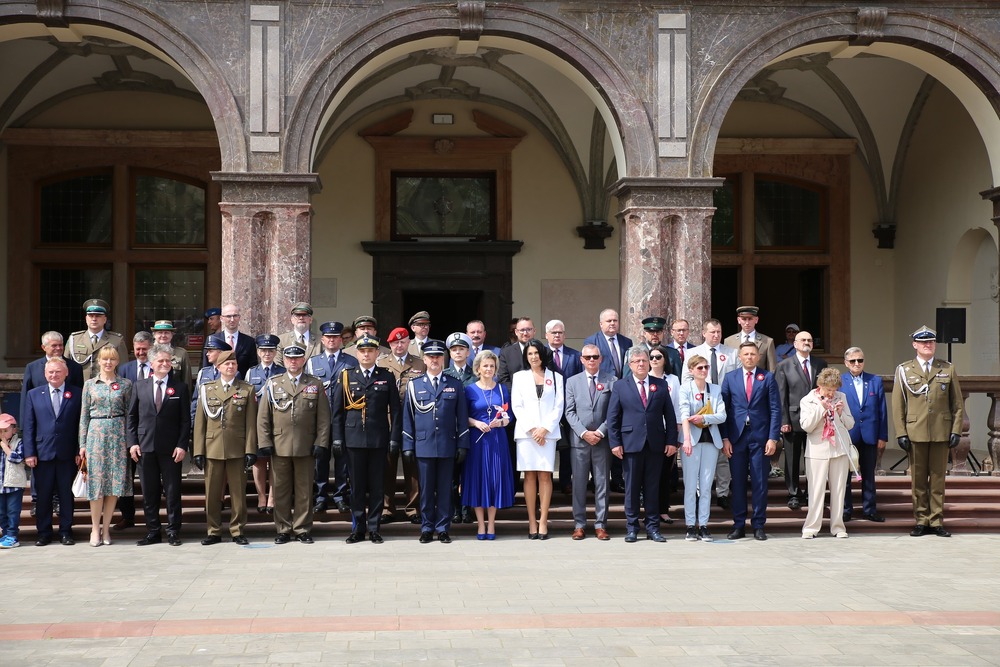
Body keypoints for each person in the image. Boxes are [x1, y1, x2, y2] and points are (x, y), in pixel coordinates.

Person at [892, 325, 964, 537]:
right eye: (923, 342)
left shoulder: (947, 368)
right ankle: (921, 520)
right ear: (914, 345)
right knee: (919, 480)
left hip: (941, 431)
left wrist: (956, 430)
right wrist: (901, 433)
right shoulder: (905, 370)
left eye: (931, 342)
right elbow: (898, 405)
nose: (928, 345)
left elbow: (957, 404)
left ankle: (936, 521)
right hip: (916, 432)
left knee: (938, 479)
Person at [256, 344, 331, 544]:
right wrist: (264, 442)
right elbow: (263, 417)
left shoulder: (315, 383)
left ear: (303, 360)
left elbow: (323, 418)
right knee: (281, 490)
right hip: (279, 446)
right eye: (290, 358)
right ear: (284, 361)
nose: (293, 362)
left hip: (306, 446)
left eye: (297, 358)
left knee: (304, 490)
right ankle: (283, 529)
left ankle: (302, 529)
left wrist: (321, 442)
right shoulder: (273, 383)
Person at [331, 334, 401, 544]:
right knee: (357, 487)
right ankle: (358, 528)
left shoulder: (386, 376)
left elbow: (395, 411)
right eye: (362, 351)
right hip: (353, 440)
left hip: (379, 439)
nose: (366, 354)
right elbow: (337, 412)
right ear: (357, 353)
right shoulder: (346, 376)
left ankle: (374, 528)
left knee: (378, 486)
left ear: (377, 353)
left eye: (370, 351)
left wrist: (394, 438)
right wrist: (337, 438)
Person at [607, 347, 679, 543]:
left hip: (656, 444)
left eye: (644, 361)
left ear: (649, 363)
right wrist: (615, 443)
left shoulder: (660, 384)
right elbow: (613, 417)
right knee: (631, 488)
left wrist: (671, 441)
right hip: (630, 444)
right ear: (630, 365)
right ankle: (632, 528)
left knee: (652, 487)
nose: (641, 364)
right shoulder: (620, 386)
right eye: (637, 361)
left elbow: (670, 416)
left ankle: (653, 527)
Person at [402, 339, 470, 544]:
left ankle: (442, 528)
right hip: (423, 446)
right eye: (430, 356)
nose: (434, 360)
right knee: (425, 490)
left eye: (438, 356)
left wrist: (462, 444)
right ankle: (426, 527)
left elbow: (462, 416)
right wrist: (408, 445)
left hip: (447, 445)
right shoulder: (414, 385)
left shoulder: (454, 384)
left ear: (443, 359)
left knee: (445, 489)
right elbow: (408, 417)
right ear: (424, 359)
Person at [192, 349, 258, 545]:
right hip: (212, 448)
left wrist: (250, 449)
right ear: (218, 367)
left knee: (238, 493)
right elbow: (200, 423)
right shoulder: (207, 389)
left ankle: (237, 530)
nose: (230, 367)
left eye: (233, 364)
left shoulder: (246, 389)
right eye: (226, 364)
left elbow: (250, 424)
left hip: (237, 448)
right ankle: (213, 530)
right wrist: (198, 451)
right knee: (212, 493)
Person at [127, 344, 191, 546]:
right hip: (145, 447)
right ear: (151, 363)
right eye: (161, 360)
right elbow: (132, 417)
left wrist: (182, 445)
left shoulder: (180, 387)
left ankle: (173, 531)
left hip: (171, 449)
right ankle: (153, 531)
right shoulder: (139, 386)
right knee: (149, 492)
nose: (165, 364)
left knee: (172, 492)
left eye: (168, 361)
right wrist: (132, 443)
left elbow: (185, 420)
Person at [720, 342, 781, 541]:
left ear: (758, 356)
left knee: (759, 483)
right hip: (736, 437)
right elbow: (724, 410)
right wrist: (725, 438)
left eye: (753, 354)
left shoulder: (768, 377)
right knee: (737, 483)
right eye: (745, 354)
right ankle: (738, 525)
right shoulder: (730, 378)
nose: (749, 357)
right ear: (739, 357)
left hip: (760, 437)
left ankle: (758, 525)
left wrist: (773, 438)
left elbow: (775, 409)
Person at [20, 330, 84, 519]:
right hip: (42, 437)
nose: (58, 348)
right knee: (42, 483)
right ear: (43, 347)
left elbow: (79, 404)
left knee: (64, 485)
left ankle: (59, 508)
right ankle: (36, 502)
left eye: (60, 345)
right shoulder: (33, 367)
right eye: (53, 345)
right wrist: (25, 433)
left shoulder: (74, 367)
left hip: (66, 438)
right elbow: (26, 400)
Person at [78, 347, 132, 547]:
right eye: (105, 359)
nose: (108, 363)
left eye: (112, 359)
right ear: (99, 361)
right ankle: (95, 528)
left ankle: (106, 528)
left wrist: (130, 441)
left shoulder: (125, 384)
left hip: (118, 435)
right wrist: (82, 444)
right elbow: (84, 416)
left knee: (113, 484)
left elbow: (130, 414)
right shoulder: (90, 385)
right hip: (96, 434)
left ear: (117, 362)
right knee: (96, 484)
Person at [510, 339, 563, 539]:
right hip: (527, 434)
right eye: (530, 353)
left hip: (548, 434)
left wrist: (544, 429)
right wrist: (533, 429)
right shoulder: (519, 377)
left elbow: (559, 406)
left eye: (536, 353)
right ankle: (532, 520)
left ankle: (543, 521)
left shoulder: (556, 377)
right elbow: (517, 406)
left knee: (545, 476)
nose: (533, 357)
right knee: (530, 475)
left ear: (542, 354)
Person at [684, 318, 739, 510]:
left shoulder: (731, 353)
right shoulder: (692, 353)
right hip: (699, 409)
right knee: (701, 453)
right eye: (712, 332)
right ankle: (700, 492)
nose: (716, 335)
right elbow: (686, 381)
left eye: (719, 332)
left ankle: (722, 493)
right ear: (703, 333)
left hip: (725, 408)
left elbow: (736, 380)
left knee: (723, 453)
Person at [563, 344, 615, 541]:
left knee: (602, 483)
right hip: (580, 441)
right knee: (579, 484)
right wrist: (584, 433)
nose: (591, 360)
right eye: (588, 357)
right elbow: (569, 411)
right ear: (581, 360)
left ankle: (601, 525)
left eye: (595, 357)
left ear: (600, 359)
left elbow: (614, 411)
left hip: (602, 441)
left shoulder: (612, 380)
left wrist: (600, 432)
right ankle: (579, 524)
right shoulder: (572, 381)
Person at [306, 321, 358, 514]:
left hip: (344, 418)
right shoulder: (313, 362)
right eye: (328, 337)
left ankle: (340, 496)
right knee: (320, 459)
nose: (332, 340)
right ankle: (320, 496)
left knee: (342, 460)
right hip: (320, 420)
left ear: (341, 340)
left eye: (335, 337)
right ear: (322, 339)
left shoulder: (351, 362)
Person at [462, 350, 515, 540]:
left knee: (494, 480)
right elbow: (462, 416)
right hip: (477, 441)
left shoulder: (502, 389)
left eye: (492, 366)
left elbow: (509, 416)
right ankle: (480, 524)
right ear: (478, 368)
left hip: (497, 440)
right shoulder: (469, 390)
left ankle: (491, 523)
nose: (489, 369)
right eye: (485, 365)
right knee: (478, 479)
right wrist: (476, 423)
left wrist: (501, 422)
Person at [377, 326, 426, 524]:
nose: (399, 345)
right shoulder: (381, 363)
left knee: (412, 465)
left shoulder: (420, 363)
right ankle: (387, 508)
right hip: (387, 420)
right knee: (386, 465)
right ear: (389, 344)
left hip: (412, 420)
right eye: (395, 342)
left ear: (408, 342)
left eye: (403, 342)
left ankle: (413, 508)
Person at [799, 368, 854, 539]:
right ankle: (811, 527)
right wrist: (820, 409)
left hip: (839, 449)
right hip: (817, 449)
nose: (831, 393)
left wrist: (840, 413)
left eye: (834, 389)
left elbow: (850, 424)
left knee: (839, 490)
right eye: (828, 389)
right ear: (820, 385)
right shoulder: (807, 400)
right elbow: (806, 426)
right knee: (816, 490)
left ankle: (838, 527)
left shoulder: (841, 397)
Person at [775, 330, 827, 510]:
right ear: (795, 344)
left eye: (810, 340)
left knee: (815, 459)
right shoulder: (784, 365)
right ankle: (794, 493)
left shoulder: (821, 364)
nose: (806, 342)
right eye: (803, 340)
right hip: (793, 419)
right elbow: (781, 396)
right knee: (792, 459)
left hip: (816, 419)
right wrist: (784, 421)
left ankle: (812, 493)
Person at [679, 354, 726, 541]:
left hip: (711, 440)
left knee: (706, 485)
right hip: (691, 440)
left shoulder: (715, 389)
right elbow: (684, 415)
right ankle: (691, 525)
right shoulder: (685, 388)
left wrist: (704, 418)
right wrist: (686, 439)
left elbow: (722, 415)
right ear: (691, 370)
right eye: (700, 368)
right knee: (690, 485)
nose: (704, 370)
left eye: (706, 367)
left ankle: (704, 525)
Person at [841, 347, 888, 522]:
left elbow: (882, 411)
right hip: (847, 435)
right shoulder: (840, 381)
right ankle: (846, 510)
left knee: (869, 474)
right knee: (844, 475)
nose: (857, 363)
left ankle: (869, 510)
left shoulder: (875, 380)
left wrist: (882, 436)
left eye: (860, 360)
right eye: (853, 361)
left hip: (870, 434)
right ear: (846, 363)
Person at [245, 334, 284, 515]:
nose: (267, 353)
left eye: (270, 350)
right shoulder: (251, 372)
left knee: (276, 462)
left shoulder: (282, 371)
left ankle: (272, 498)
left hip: (278, 423)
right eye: (263, 350)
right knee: (259, 461)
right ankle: (261, 496)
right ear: (258, 352)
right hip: (258, 423)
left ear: (275, 352)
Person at [544, 318, 580, 495]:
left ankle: (566, 481)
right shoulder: (540, 355)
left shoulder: (575, 356)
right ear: (546, 335)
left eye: (560, 332)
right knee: (547, 447)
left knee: (567, 448)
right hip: (546, 409)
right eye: (554, 332)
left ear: (565, 335)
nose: (557, 335)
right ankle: (547, 483)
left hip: (569, 408)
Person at [648, 343, 682, 524]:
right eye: (651, 357)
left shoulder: (673, 380)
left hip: (667, 433)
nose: (654, 360)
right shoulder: (644, 378)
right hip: (647, 433)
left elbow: (676, 406)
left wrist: (675, 433)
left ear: (665, 360)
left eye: (658, 357)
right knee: (648, 474)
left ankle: (662, 510)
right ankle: (648, 511)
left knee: (664, 474)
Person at [444, 332, 475, 524]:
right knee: (452, 474)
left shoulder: (476, 375)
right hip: (450, 432)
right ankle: (455, 509)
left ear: (468, 352)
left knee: (469, 473)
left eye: (461, 349)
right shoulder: (445, 376)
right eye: (454, 349)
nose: (458, 352)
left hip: (472, 431)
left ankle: (467, 509)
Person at [67, 298, 129, 380]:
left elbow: (123, 369)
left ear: (105, 319)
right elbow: (65, 366)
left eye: (98, 316)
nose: (94, 319)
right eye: (91, 316)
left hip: (107, 386)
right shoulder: (74, 339)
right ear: (86, 318)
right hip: (80, 386)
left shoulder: (117, 340)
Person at [204, 303, 258, 375]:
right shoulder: (213, 339)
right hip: (217, 381)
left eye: (235, 316)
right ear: (221, 318)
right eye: (228, 316)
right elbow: (206, 365)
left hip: (242, 381)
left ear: (239, 317)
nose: (232, 319)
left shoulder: (249, 341)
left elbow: (253, 369)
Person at [0, 414, 26, 549]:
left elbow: (18, 459)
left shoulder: (19, 443)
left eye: (5, 430)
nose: (2, 434)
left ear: (14, 430)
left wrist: (5, 447)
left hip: (14, 485)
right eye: (0, 431)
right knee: (1, 513)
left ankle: (12, 536)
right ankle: (5, 534)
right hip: (1, 486)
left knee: (12, 512)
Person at [724, 306, 777, 371]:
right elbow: (726, 367)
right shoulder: (729, 341)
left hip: (759, 377)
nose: (747, 323)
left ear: (756, 320)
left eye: (750, 319)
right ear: (739, 320)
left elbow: (772, 369)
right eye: (744, 319)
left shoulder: (767, 342)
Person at [583, 308, 633, 379]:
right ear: (601, 324)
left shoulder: (627, 342)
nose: (612, 323)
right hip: (602, 382)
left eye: (615, 320)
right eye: (609, 321)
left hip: (622, 382)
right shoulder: (592, 341)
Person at [151, 320, 192, 389]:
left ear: (172, 335)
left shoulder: (181, 354)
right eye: (160, 332)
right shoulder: (148, 352)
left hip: (175, 393)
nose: (163, 335)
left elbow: (187, 380)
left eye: (166, 332)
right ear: (154, 335)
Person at [497, 316, 535, 384]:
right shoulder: (506, 353)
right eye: (522, 330)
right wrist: (515, 390)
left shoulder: (545, 352)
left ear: (534, 331)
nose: (525, 333)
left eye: (529, 329)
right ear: (516, 332)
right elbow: (503, 378)